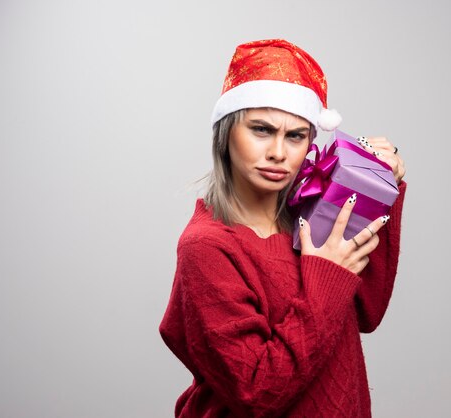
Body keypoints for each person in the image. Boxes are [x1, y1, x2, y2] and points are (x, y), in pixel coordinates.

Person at [159, 39, 407, 417]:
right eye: (261, 129)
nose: (279, 152)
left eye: (295, 136)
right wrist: (328, 274)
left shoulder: (309, 214)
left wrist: (379, 188)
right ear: (226, 135)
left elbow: (366, 311)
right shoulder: (207, 246)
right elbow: (256, 391)